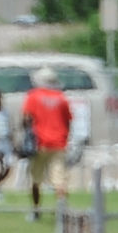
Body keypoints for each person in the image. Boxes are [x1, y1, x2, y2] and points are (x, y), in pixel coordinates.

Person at [21, 67, 72, 221]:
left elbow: (26, 118)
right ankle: (62, 210)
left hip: (39, 143)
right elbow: (68, 120)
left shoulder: (33, 96)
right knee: (59, 179)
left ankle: (36, 211)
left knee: (36, 178)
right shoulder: (62, 98)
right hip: (59, 143)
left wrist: (26, 136)